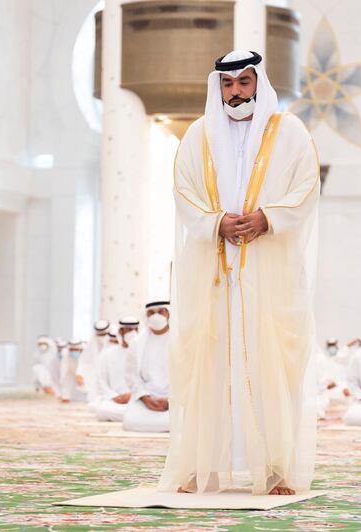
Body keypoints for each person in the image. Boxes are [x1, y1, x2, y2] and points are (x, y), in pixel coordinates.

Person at [161, 49, 320, 496]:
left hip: (267, 275)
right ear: (219, 88)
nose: (236, 92)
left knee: (268, 366)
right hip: (213, 275)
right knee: (208, 368)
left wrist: (268, 218)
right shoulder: (197, 135)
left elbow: (306, 187)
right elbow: (183, 190)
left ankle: (273, 470)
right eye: (228, 85)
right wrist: (216, 223)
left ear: (258, 83)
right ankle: (200, 467)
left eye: (244, 83)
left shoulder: (290, 133)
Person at [123, 301, 171, 433]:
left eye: (160, 312)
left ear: (168, 313)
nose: (156, 316)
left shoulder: (180, 342)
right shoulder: (136, 343)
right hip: (146, 397)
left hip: (174, 398)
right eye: (151, 312)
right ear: (146, 316)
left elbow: (187, 375)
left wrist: (170, 400)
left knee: (185, 420)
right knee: (130, 421)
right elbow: (131, 375)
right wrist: (146, 398)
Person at [95, 317, 139, 422]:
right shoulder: (107, 354)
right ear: (120, 331)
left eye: (134, 330)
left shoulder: (143, 353)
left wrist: (135, 396)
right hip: (115, 401)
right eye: (128, 330)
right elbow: (101, 381)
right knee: (103, 410)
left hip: (139, 399)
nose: (131, 333)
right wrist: (114, 396)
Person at [77, 320, 110, 408]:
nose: (101, 337)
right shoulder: (92, 342)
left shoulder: (114, 343)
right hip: (96, 375)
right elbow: (84, 360)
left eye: (103, 334)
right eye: (99, 335)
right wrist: (79, 373)